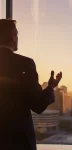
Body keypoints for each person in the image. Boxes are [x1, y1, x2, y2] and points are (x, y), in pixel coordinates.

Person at [0, 19, 62, 150]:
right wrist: (51, 87)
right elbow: (38, 104)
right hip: (18, 142)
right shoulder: (24, 63)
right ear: (12, 36)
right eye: (17, 35)